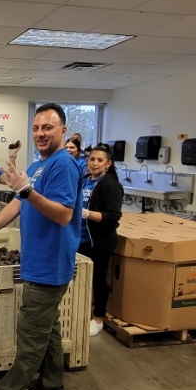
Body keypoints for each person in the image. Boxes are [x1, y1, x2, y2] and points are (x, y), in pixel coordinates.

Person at [0, 103, 82, 390]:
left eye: (48, 127)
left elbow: (63, 214)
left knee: (31, 338)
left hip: (49, 266)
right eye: (36, 128)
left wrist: (27, 190)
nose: (41, 133)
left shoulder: (64, 165)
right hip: (39, 263)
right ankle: (53, 386)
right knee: (49, 329)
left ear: (63, 130)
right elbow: (17, 203)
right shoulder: (39, 165)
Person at [78, 143, 124, 336]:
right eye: (92, 159)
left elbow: (113, 216)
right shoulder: (85, 180)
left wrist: (87, 213)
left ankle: (98, 319)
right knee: (81, 280)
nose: (94, 164)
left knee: (98, 280)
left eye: (99, 160)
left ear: (108, 164)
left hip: (98, 242)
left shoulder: (111, 185)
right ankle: (79, 314)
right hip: (79, 239)